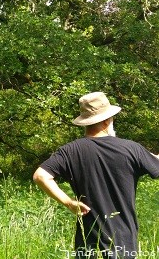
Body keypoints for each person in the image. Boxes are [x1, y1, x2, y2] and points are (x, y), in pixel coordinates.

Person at [33, 92, 159, 259]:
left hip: (87, 245)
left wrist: (69, 203)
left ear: (86, 122)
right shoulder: (131, 149)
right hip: (123, 244)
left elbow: (40, 176)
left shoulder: (70, 151)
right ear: (107, 120)